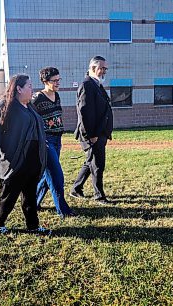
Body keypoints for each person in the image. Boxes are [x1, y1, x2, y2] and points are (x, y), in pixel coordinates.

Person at [0, 74, 51, 236]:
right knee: (8, 197)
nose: (32, 89)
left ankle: (33, 226)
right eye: (29, 86)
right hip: (14, 162)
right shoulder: (4, 106)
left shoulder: (29, 107)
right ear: (19, 89)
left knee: (30, 197)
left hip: (33, 162)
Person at [32, 67, 77, 218]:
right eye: (54, 80)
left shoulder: (56, 95)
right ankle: (63, 210)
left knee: (47, 176)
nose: (58, 83)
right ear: (45, 81)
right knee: (57, 175)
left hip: (57, 139)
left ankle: (32, 203)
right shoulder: (37, 98)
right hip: (46, 141)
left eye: (59, 79)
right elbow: (30, 118)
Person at [70, 56, 113, 204]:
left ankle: (76, 188)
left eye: (105, 68)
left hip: (99, 133)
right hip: (93, 134)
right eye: (102, 68)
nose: (104, 71)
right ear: (93, 68)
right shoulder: (87, 84)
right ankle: (99, 195)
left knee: (90, 162)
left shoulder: (97, 84)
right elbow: (84, 112)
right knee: (97, 165)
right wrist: (91, 135)